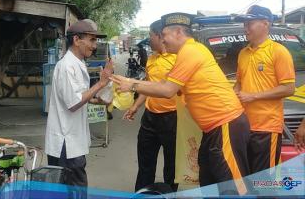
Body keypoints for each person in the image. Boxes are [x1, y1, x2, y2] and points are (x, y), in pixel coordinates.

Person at [111, 13, 250, 195]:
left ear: (178, 32)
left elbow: (167, 90)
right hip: (212, 129)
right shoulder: (186, 53)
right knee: (209, 181)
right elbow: (163, 84)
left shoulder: (190, 51)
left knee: (233, 186)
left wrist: (133, 84)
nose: (163, 40)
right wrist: (131, 83)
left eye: (164, 35)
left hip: (225, 124)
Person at [45, 20, 113, 188]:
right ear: (76, 40)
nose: (95, 45)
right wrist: (101, 83)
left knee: (72, 189)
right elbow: (74, 103)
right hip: (65, 143)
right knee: (74, 189)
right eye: (92, 40)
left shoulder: (78, 63)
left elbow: (81, 95)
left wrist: (98, 100)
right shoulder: (67, 66)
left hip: (73, 141)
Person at [234, 5, 295, 174]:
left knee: (263, 181)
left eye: (250, 23)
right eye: (245, 24)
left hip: (267, 128)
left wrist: (253, 96)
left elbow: (289, 88)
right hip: (244, 126)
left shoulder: (278, 52)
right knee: (246, 178)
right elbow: (239, 83)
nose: (246, 28)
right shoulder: (243, 53)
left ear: (265, 24)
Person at [124, 20, 178, 192]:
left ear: (159, 35)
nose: (149, 39)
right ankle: (142, 194)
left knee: (171, 167)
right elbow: (148, 86)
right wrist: (135, 106)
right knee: (145, 165)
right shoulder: (152, 58)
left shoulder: (178, 59)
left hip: (172, 119)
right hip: (150, 118)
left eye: (150, 35)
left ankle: (168, 194)